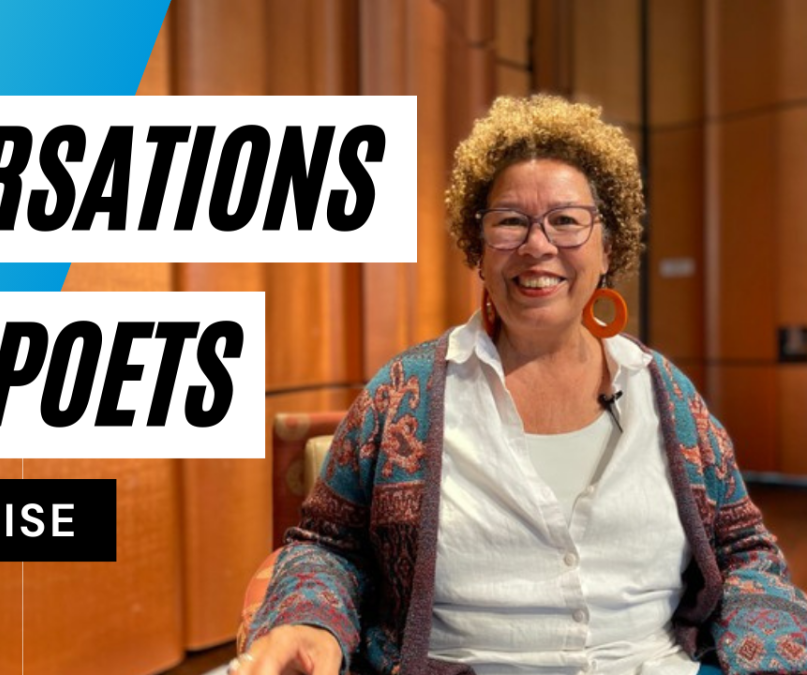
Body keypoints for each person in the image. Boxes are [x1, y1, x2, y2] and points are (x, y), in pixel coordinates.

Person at [233, 95, 807, 675]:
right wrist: (310, 620)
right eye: (510, 221)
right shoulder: (401, 394)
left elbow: (744, 553)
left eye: (566, 220)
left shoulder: (668, 395)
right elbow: (328, 545)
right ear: (478, 252)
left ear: (607, 248)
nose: (538, 245)